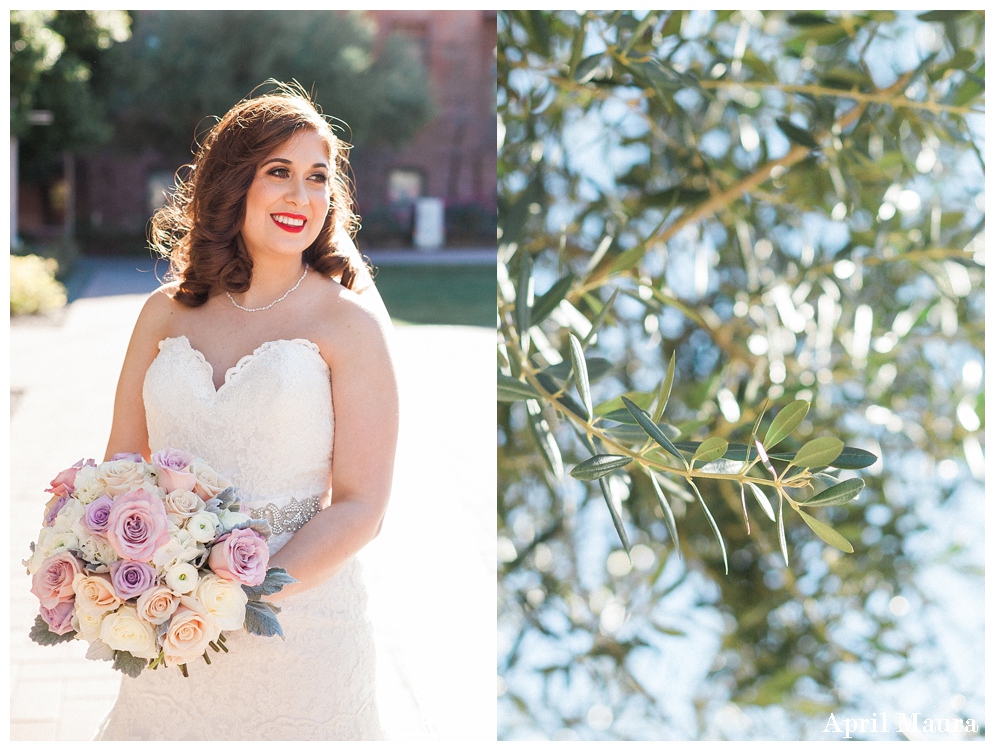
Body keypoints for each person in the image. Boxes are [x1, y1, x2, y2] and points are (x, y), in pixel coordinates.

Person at [96, 83, 399, 740]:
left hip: (302, 641)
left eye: (317, 177)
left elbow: (360, 503)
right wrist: (109, 550)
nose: (300, 195)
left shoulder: (347, 327)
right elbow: (123, 457)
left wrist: (240, 593)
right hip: (167, 636)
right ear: (234, 182)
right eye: (279, 172)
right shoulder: (162, 314)